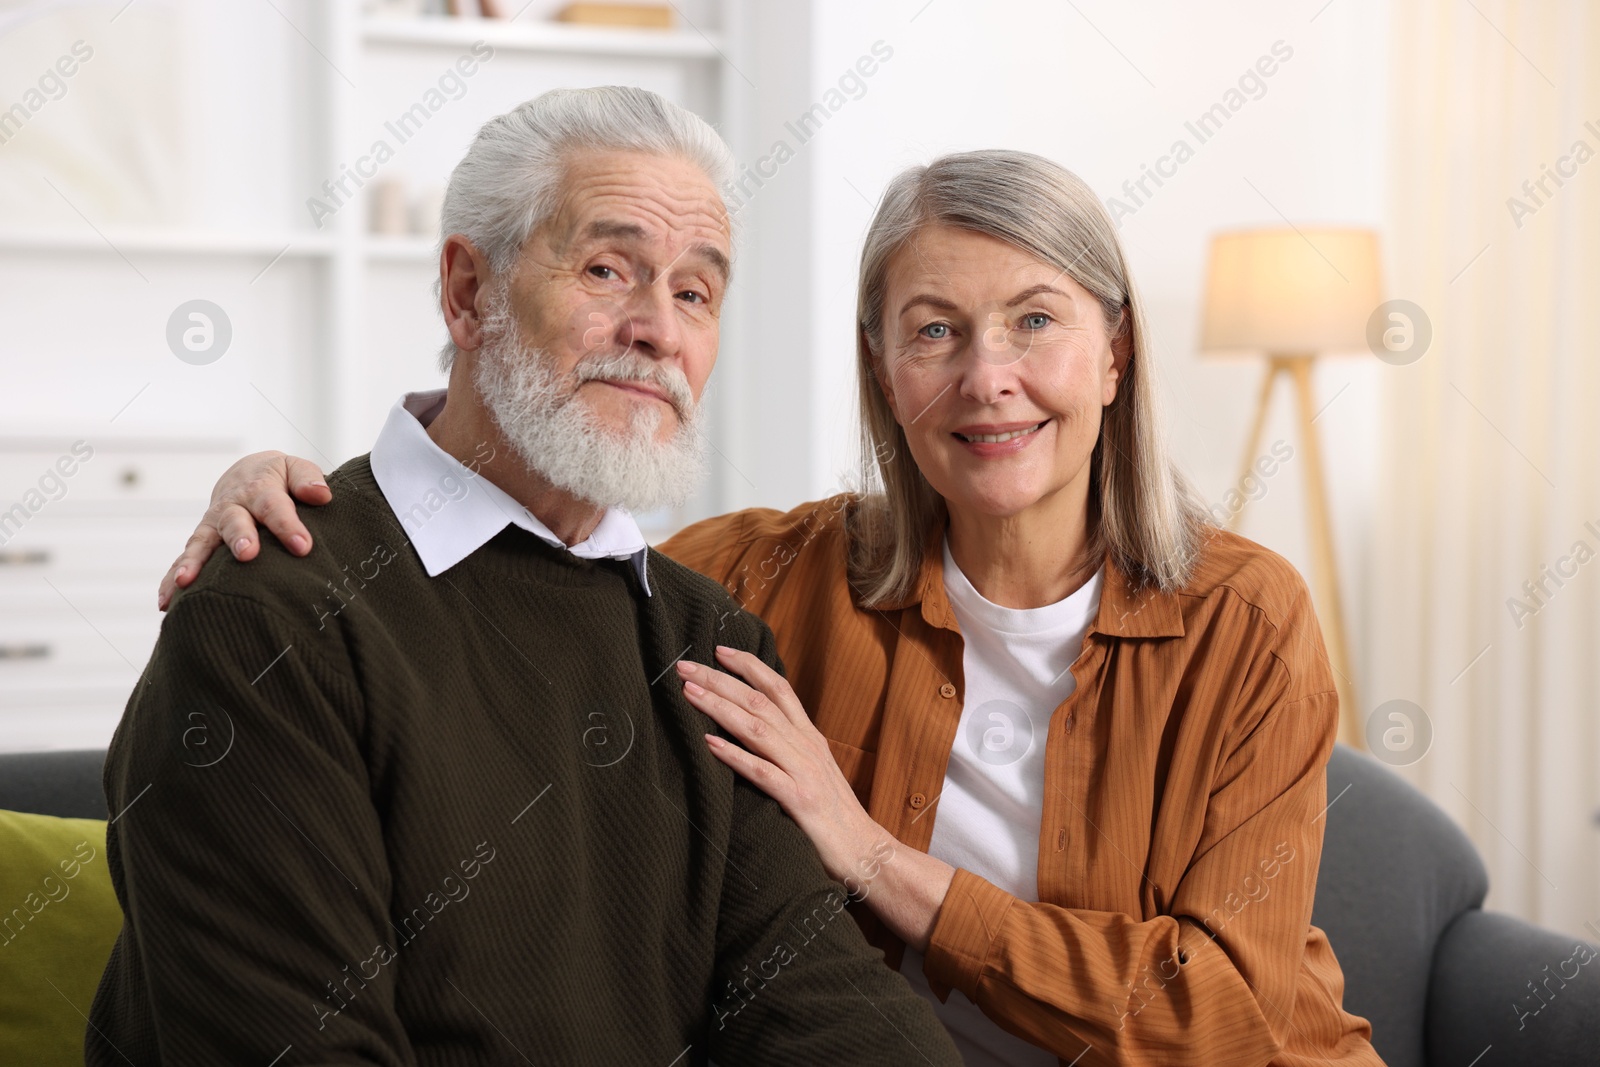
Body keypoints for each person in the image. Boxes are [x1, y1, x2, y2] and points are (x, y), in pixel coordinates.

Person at [159, 149, 1386, 1065]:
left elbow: (1220, 1011)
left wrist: (871, 856)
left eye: (1035, 321)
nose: (987, 377)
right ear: (880, 371)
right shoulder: (762, 584)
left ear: (1114, 357)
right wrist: (290, 497)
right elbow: (525, 549)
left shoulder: (1243, 617)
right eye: (933, 331)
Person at [87, 86, 966, 1067]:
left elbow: (814, 992)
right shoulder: (268, 620)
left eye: (693, 293)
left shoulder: (709, 638)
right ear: (469, 293)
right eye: (606, 268)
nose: (657, 330)